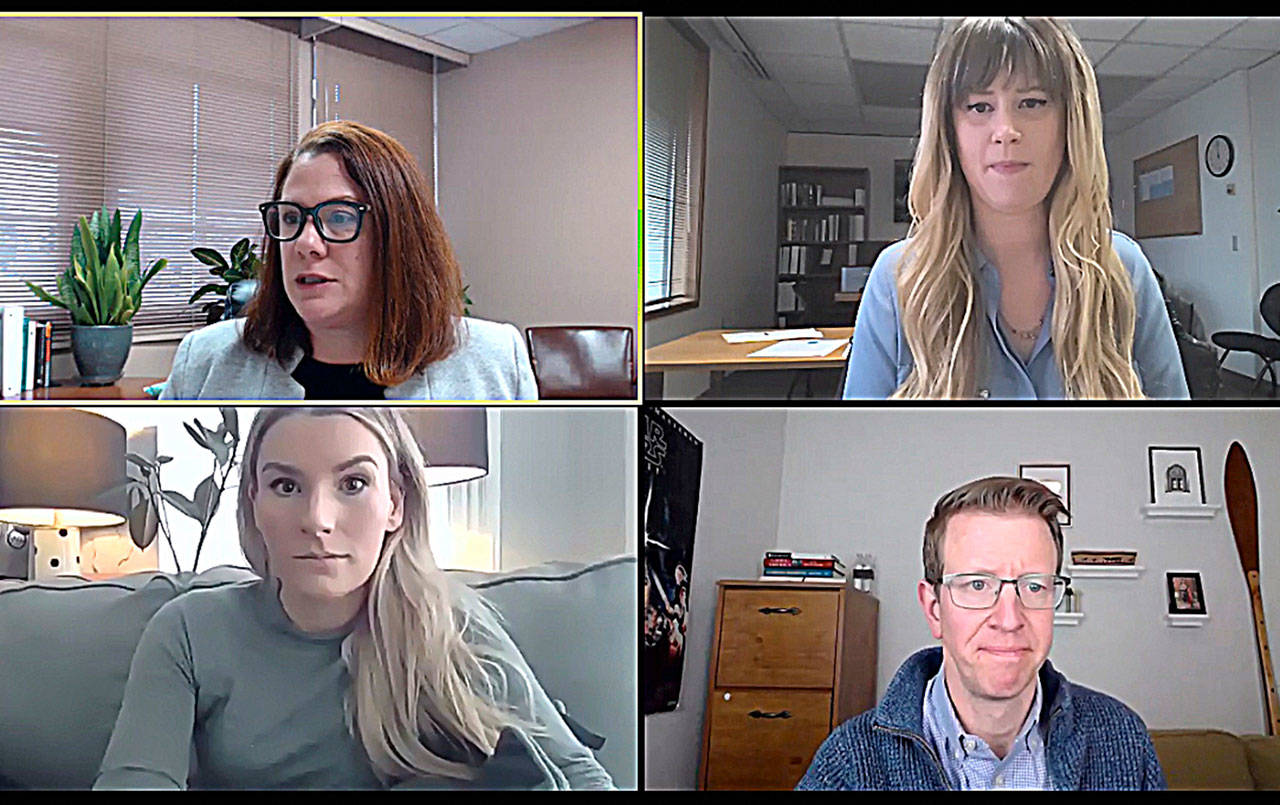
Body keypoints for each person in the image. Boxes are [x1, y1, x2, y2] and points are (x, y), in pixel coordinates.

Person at [95, 408, 610, 789]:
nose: (318, 519)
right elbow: (135, 780)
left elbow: (578, 772)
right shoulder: (189, 630)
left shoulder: (448, 623)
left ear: (395, 505)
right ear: (253, 502)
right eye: (286, 486)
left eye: (353, 483)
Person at [843, 18, 1188, 399]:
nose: (1006, 130)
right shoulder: (898, 279)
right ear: (949, 132)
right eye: (979, 106)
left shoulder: (1124, 268)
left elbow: (1175, 432)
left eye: (1032, 102)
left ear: (1070, 123)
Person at [798, 476, 1165, 790]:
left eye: (1034, 586)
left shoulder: (1124, 741)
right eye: (977, 585)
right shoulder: (850, 762)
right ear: (934, 608)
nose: (1009, 619)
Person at [161, 121, 537, 400]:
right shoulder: (204, 361)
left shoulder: (495, 360)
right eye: (291, 217)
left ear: (398, 235)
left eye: (339, 217)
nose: (306, 244)